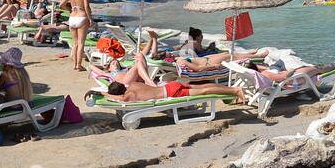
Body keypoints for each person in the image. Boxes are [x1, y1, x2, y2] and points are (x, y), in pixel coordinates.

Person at [100, 79, 245, 103]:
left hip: (171, 93)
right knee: (203, 87)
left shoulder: (129, 95)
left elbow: (122, 99)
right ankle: (233, 89)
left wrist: (103, 93)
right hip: (170, 86)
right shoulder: (133, 85)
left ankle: (235, 91)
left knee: (205, 91)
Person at [61, 0, 92, 72]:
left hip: (72, 18)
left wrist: (70, 9)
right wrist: (90, 19)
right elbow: (86, 7)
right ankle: (79, 65)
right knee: (81, 43)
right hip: (82, 17)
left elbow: (61, 4)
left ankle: (75, 65)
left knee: (75, 43)